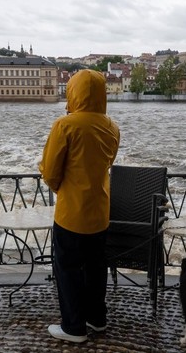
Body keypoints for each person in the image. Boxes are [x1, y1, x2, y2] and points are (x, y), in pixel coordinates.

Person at [39, 69, 120, 343]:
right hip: (100, 212)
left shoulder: (65, 125)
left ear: (73, 92)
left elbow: (50, 171)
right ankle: (97, 319)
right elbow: (107, 164)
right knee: (96, 268)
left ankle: (74, 327)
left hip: (71, 214)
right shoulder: (112, 127)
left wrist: (65, 188)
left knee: (68, 269)